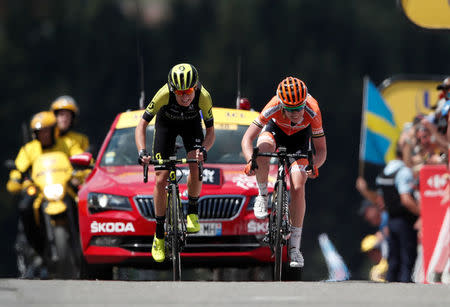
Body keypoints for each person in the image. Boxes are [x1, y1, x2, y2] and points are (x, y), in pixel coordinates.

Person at [241, 76, 327, 268]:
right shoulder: (273, 105)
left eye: (299, 108)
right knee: (263, 149)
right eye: (290, 109)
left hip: (300, 142)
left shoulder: (313, 110)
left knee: (298, 184)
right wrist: (250, 161)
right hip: (275, 132)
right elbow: (247, 139)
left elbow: (321, 151)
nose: (296, 113)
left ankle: (295, 248)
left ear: (305, 103)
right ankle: (263, 195)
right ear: (281, 104)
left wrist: (315, 166)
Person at [135, 63, 215, 263]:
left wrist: (203, 149)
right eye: (180, 93)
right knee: (161, 179)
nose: (185, 97)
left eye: (189, 91)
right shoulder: (163, 94)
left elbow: (211, 131)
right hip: (166, 126)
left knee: (195, 163)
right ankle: (159, 235)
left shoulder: (203, 97)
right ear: (172, 89)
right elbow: (141, 125)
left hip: (191, 127)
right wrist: (142, 151)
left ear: (195, 87)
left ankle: (193, 212)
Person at [6, 111, 82, 277]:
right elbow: (19, 169)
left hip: (65, 189)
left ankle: (86, 246)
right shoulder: (29, 149)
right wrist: (16, 180)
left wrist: (81, 172)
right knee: (25, 208)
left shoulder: (66, 143)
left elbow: (79, 158)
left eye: (47, 131)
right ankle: (37, 248)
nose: (44, 135)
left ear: (54, 130)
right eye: (40, 132)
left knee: (85, 204)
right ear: (35, 134)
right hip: (41, 191)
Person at [375, 144, 420, 282]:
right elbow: (406, 199)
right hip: (405, 220)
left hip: (391, 219)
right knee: (407, 258)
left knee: (394, 259)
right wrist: (422, 213)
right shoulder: (404, 172)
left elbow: (380, 200)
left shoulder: (387, 170)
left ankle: (390, 292)